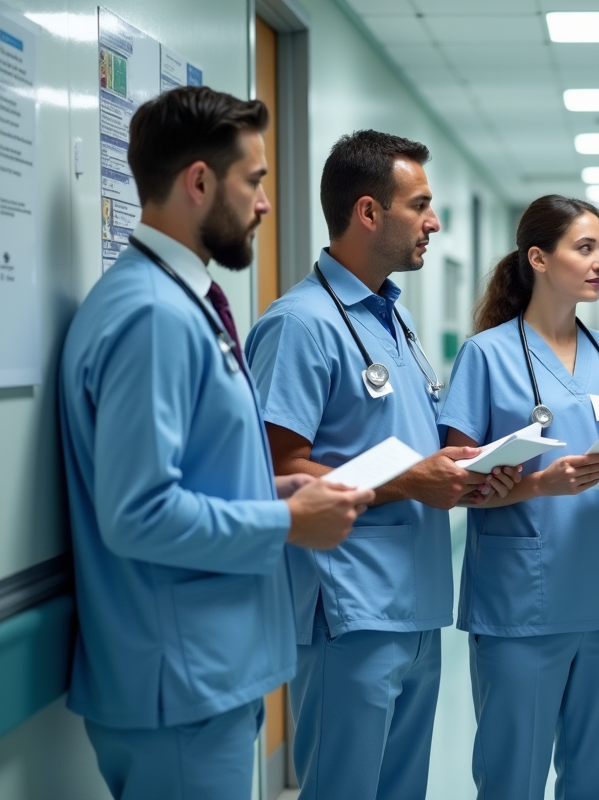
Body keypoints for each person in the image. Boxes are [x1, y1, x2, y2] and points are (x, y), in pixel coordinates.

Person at [58, 86, 372, 800]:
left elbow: (187, 470)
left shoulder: (176, 302)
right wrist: (286, 520)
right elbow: (139, 513)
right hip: (179, 683)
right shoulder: (152, 316)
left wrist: (274, 490)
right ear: (199, 182)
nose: (265, 203)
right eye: (253, 181)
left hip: (199, 674)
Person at [245, 131, 517, 800]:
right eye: (420, 205)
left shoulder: (396, 319)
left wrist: (463, 468)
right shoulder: (300, 324)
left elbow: (403, 443)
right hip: (349, 610)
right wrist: (414, 480)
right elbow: (277, 470)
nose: (434, 222)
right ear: (369, 212)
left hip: (417, 605)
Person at [437, 195, 599, 800]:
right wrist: (539, 484)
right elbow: (455, 484)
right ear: (538, 258)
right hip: (520, 604)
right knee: (513, 780)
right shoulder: (485, 355)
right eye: (585, 248)